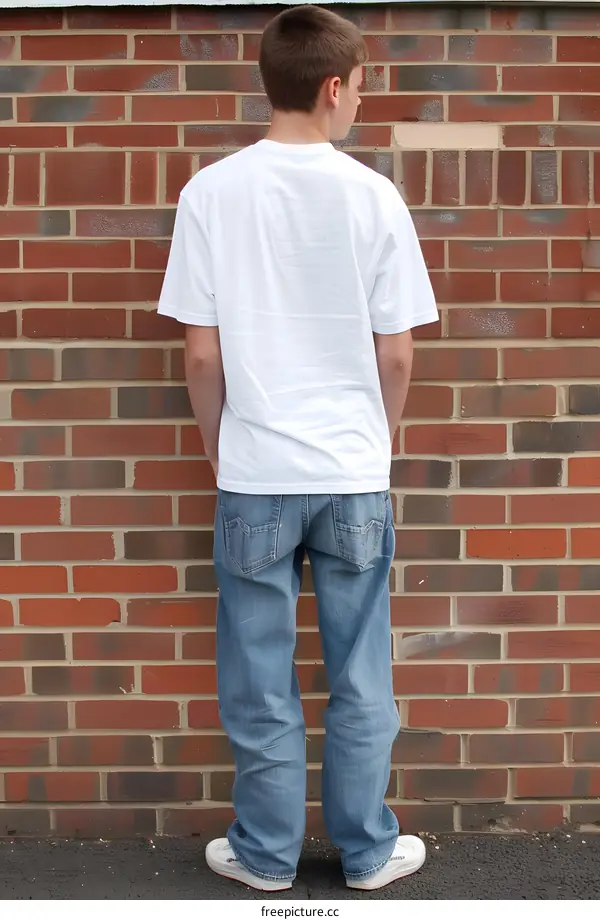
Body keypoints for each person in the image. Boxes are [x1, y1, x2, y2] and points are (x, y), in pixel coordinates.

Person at [158, 4, 438, 893]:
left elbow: (202, 354)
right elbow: (397, 351)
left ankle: (267, 857)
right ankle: (365, 854)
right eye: (359, 86)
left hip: (254, 471)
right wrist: (377, 441)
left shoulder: (209, 192)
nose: (360, 101)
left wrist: (218, 445)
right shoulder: (374, 196)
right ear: (331, 87)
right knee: (362, 675)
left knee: (259, 679)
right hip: (351, 472)